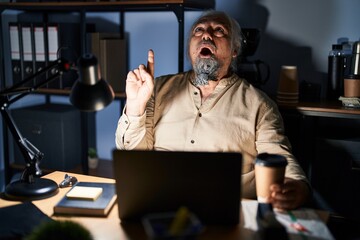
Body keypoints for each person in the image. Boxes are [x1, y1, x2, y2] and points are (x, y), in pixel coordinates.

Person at [115, 10, 311, 210]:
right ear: (190, 48)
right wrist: (135, 107)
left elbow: (279, 157)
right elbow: (133, 157)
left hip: (224, 213)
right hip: (159, 206)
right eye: (198, 30)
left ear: (235, 50)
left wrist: (297, 187)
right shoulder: (155, 89)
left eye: (219, 31)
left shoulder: (260, 105)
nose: (206, 35)